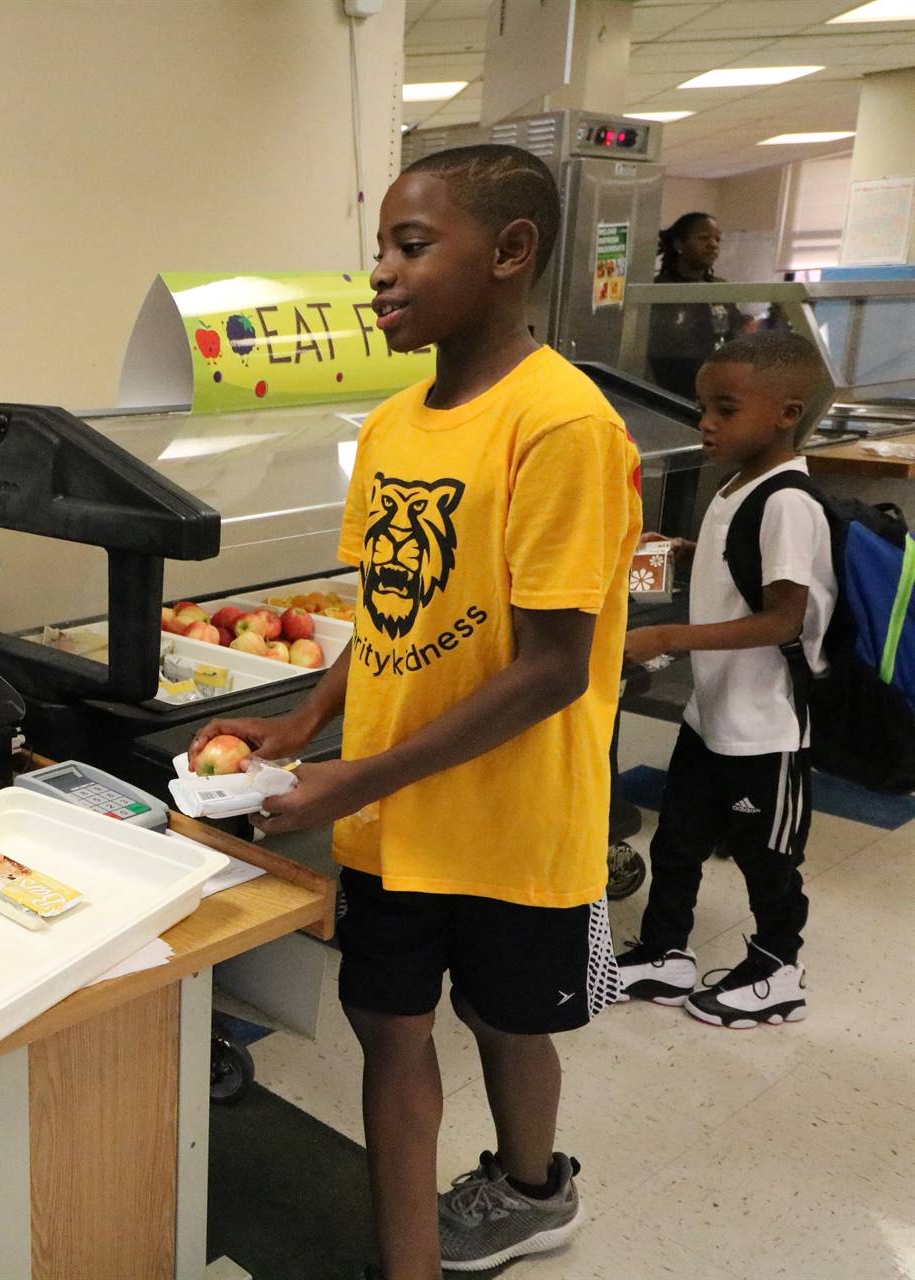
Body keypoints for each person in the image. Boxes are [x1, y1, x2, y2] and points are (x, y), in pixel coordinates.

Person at [190, 144, 640, 1280]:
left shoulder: (562, 424)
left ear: (510, 251)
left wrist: (356, 774)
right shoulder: (392, 425)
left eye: (410, 244)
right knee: (387, 1028)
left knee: (507, 1019)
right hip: (395, 817)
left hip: (514, 816)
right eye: (380, 247)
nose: (380, 274)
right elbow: (383, 613)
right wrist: (305, 722)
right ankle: (410, 1265)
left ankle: (534, 1186)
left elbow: (552, 667)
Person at [615, 332, 832, 1028]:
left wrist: (666, 636)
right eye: (704, 406)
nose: (706, 422)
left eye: (726, 408)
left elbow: (783, 619)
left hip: (766, 729)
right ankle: (664, 953)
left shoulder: (788, 502)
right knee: (677, 841)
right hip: (711, 718)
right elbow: (739, 572)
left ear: (785, 413)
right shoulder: (738, 487)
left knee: (767, 860)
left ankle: (779, 970)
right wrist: (684, 550)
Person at [646, 211, 739, 401]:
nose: (713, 245)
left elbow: (732, 336)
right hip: (667, 391)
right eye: (704, 238)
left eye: (717, 240)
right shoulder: (658, 291)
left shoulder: (721, 289)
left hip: (712, 387)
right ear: (679, 244)